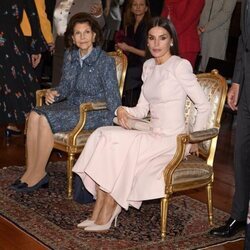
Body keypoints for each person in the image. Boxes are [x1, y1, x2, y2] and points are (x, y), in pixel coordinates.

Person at [72, 16, 210, 231]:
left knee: (119, 145)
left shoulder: (180, 66)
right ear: (146, 42)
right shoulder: (148, 66)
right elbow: (141, 110)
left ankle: (108, 209)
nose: (156, 44)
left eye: (162, 38)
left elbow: (204, 105)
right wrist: (122, 110)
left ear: (171, 41)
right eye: (152, 38)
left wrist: (193, 140)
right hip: (151, 132)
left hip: (172, 140)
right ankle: (100, 207)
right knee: (103, 135)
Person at [11, 13, 121, 192]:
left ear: (94, 35)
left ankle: (39, 173)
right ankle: (30, 171)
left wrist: (116, 118)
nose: (83, 37)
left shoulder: (105, 61)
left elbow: (113, 97)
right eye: (78, 33)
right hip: (72, 106)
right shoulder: (71, 55)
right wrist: (53, 92)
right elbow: (65, 86)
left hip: (94, 112)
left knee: (46, 118)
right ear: (72, 37)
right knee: (34, 114)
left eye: (87, 32)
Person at [209, 0, 250, 238]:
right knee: (241, 155)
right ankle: (239, 215)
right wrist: (236, 81)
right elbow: (245, 41)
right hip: (246, 90)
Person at [0, 0, 47, 136]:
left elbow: (33, 15)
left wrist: (36, 47)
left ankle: (17, 123)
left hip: (12, 39)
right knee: (20, 82)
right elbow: (33, 16)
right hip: (12, 38)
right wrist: (36, 47)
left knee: (14, 81)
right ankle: (25, 123)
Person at [52, 0, 105, 86]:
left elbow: (100, 24)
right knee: (57, 81)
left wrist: (98, 14)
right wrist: (53, 39)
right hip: (60, 43)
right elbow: (56, 20)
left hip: (79, 46)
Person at [116, 0, 151, 107]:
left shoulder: (149, 26)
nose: (138, 7)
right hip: (131, 61)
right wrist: (120, 47)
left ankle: (129, 107)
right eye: (135, 5)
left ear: (146, 8)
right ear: (131, 8)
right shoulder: (129, 25)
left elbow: (148, 54)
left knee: (128, 73)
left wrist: (128, 48)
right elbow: (128, 46)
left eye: (141, 5)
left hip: (145, 63)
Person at [161, 0, 205, 68]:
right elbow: (162, 19)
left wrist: (163, 37)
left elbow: (184, 23)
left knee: (180, 76)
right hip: (167, 42)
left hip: (185, 45)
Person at [197, 0, 237, 72]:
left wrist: (205, 28)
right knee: (199, 66)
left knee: (213, 68)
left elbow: (226, 13)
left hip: (217, 33)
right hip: (201, 30)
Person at [21, 0, 55, 82]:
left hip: (14, 35)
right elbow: (39, 14)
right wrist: (49, 38)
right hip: (29, 35)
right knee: (32, 79)